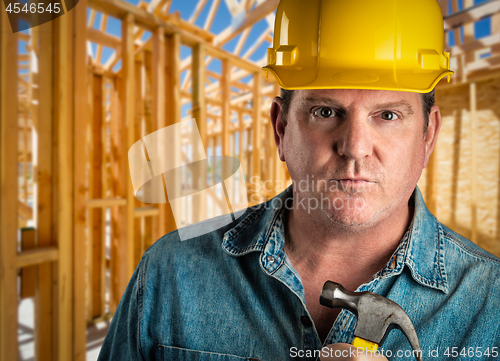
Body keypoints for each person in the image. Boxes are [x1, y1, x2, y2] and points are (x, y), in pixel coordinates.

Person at [98, 0, 500, 360]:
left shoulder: (491, 304)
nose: (354, 147)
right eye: (326, 112)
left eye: (388, 115)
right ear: (281, 129)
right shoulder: (171, 274)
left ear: (428, 136)